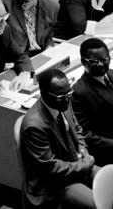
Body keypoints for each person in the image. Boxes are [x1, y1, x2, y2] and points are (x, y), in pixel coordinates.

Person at [20, 68, 98, 209]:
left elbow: (77, 130)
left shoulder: (63, 101)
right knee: (98, 204)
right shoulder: (34, 125)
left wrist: (83, 149)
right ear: (43, 93)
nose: (68, 99)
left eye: (69, 93)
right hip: (53, 185)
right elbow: (51, 168)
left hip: (75, 165)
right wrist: (84, 165)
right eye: (61, 97)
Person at [73, 38, 113, 166]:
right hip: (107, 151)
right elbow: (86, 135)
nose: (101, 64)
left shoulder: (112, 74)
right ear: (83, 62)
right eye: (94, 61)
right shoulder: (79, 92)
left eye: (104, 59)